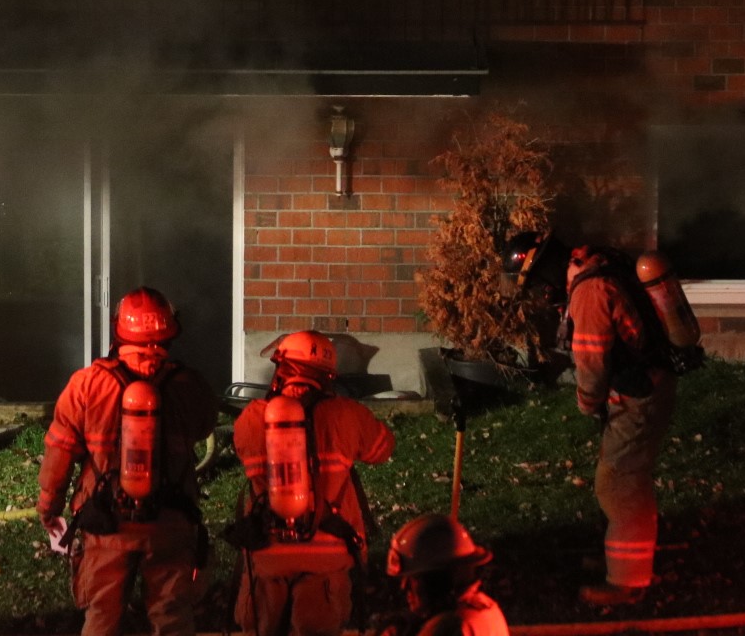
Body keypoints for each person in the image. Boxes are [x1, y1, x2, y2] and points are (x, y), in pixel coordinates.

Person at [503, 231, 675, 607]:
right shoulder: (597, 269)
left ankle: (627, 582)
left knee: (619, 484)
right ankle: (621, 555)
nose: (542, 294)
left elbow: (592, 363)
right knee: (622, 477)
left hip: (639, 395)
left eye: (537, 284)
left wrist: (587, 403)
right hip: (645, 388)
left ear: (546, 270)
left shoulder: (588, 293)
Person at [38, 287, 220, 636]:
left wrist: (49, 508)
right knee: (172, 617)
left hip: (107, 525)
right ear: (170, 332)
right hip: (170, 524)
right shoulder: (190, 385)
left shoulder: (86, 385)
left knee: (102, 617)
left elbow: (59, 452)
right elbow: (204, 425)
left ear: (118, 330)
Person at [228, 330, 395, 636]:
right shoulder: (348, 414)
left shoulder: (252, 418)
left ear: (281, 370)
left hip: (268, 554)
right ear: (328, 376)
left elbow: (244, 452)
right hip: (328, 556)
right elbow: (383, 449)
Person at [375, 514, 508, 636]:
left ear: (438, 579)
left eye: (414, 578)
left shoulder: (448, 627)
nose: (404, 587)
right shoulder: (487, 610)